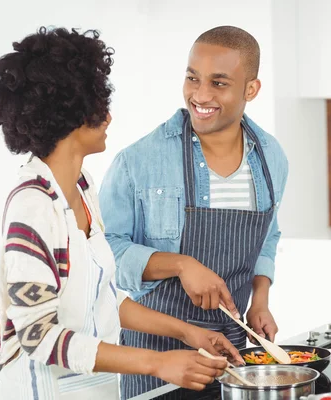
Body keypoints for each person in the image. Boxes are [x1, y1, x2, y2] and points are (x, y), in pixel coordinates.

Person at [0, 26, 242, 400]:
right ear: (69, 114)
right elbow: (39, 337)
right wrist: (156, 362)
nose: (107, 114)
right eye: (97, 103)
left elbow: (103, 301)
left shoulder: (83, 188)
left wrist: (187, 333)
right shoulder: (33, 208)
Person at [98, 25, 289, 398]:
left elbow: (268, 237)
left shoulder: (271, 157)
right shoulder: (139, 160)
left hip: (230, 351)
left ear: (251, 89)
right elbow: (104, 259)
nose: (200, 95)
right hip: (154, 354)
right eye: (192, 78)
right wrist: (181, 264)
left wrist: (260, 300)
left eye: (219, 83)